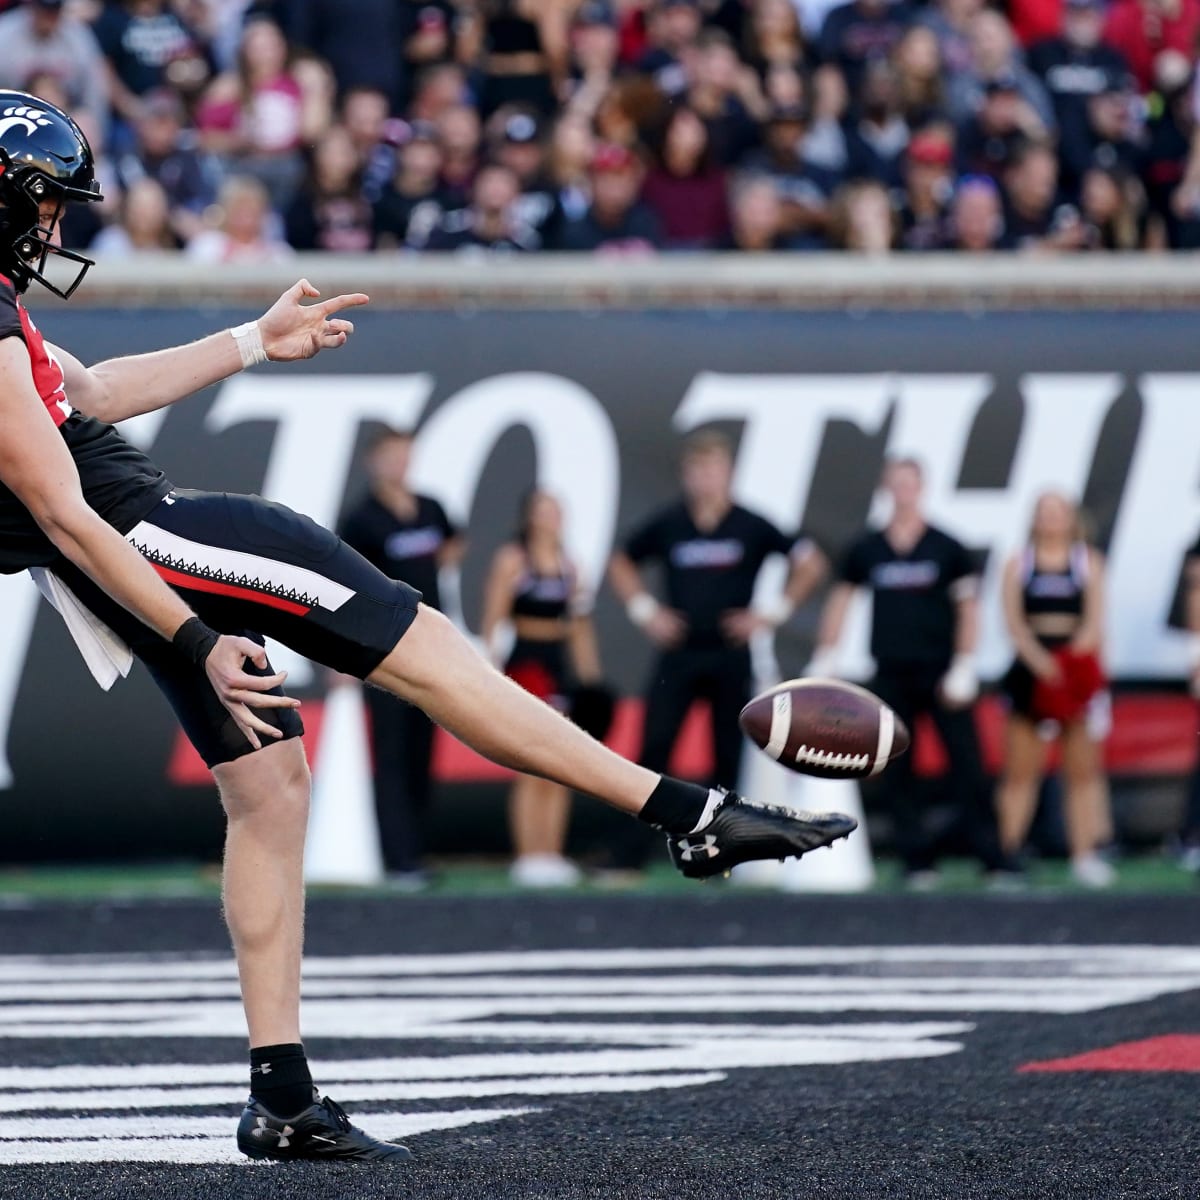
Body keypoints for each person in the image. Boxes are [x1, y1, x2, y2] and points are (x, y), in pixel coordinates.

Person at [0, 90, 854, 1162]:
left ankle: (282, 1093)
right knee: (433, 657)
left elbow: (91, 391)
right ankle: (688, 812)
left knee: (269, 791)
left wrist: (251, 343)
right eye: (49, 209)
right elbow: (65, 516)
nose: (60, 232)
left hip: (132, 553)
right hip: (148, 541)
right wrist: (196, 642)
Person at [608, 429, 828, 872]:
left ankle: (725, 854)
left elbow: (811, 561)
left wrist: (772, 613)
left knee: (727, 754)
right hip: (681, 652)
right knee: (655, 748)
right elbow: (621, 559)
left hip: (730, 652)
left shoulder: (749, 524)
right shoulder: (670, 523)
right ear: (686, 475)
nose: (705, 479)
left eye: (713, 469)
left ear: (728, 473)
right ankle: (630, 855)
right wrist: (645, 610)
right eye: (697, 470)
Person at [809, 456, 1009, 885]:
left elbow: (969, 607)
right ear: (887, 488)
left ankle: (992, 857)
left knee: (968, 766)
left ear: (922, 488)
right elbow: (842, 601)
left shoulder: (947, 547)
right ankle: (917, 860)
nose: (903, 492)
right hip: (890, 672)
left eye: (910, 484)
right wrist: (827, 654)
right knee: (897, 768)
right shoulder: (868, 548)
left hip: (940, 673)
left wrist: (964, 664)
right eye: (896, 484)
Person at [337, 428, 463, 889]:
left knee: (421, 751)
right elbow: (345, 586)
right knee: (390, 752)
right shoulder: (361, 519)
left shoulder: (429, 507)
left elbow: (451, 541)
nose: (401, 465)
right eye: (392, 457)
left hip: (433, 643)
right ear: (375, 462)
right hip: (386, 648)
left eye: (406, 456)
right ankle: (399, 859)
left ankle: (418, 851)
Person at [481, 490, 603, 888]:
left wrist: (589, 679)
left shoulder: (570, 565)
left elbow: (580, 624)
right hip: (527, 663)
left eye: (556, 511)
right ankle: (528, 855)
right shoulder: (514, 560)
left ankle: (552, 854)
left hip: (560, 662)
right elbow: (493, 620)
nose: (550, 519)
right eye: (543, 511)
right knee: (532, 762)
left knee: (561, 762)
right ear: (530, 517)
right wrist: (490, 674)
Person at [994, 491, 1113, 886]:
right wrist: (1042, 663)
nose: (1050, 519)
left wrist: (1070, 665)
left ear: (1070, 518)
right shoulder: (1019, 563)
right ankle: (1007, 855)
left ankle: (1084, 855)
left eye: (1058, 512)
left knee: (1081, 770)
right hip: (1032, 670)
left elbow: (1095, 621)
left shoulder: (1087, 562)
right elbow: (1014, 623)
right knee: (1021, 771)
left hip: (1074, 669)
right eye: (1043, 512)